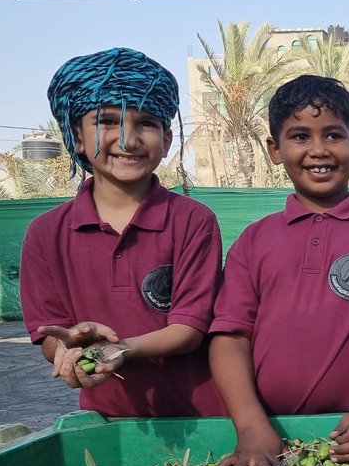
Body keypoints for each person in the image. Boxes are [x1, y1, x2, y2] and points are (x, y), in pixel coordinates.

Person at [211, 75, 349, 466]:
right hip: (271, 439)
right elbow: (230, 337)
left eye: (333, 135)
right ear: (275, 150)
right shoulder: (253, 241)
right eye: (299, 137)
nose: (318, 150)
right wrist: (251, 427)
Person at [19, 47, 224, 417]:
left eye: (145, 123)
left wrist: (120, 347)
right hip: (108, 422)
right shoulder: (45, 234)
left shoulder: (194, 221)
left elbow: (189, 328)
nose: (127, 140)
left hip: (204, 415)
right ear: (77, 137)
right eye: (107, 121)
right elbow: (51, 334)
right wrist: (73, 350)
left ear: (166, 139)